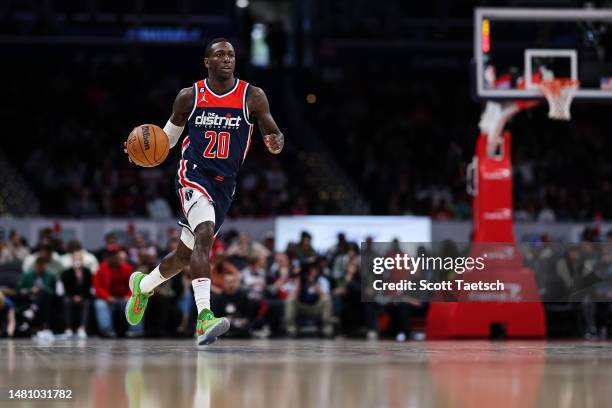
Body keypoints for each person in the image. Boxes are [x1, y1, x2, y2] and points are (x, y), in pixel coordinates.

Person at [123, 38, 284, 346]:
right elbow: (166, 141)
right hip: (193, 175)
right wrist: (137, 152)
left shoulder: (253, 96)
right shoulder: (189, 96)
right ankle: (204, 318)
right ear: (206, 61)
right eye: (219, 54)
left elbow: (272, 131)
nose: (227, 59)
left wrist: (276, 141)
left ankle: (143, 286)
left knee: (184, 257)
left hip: (225, 185)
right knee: (205, 233)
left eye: (231, 55)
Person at [93, 245, 137, 337]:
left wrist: (129, 296)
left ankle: (135, 330)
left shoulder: (127, 268)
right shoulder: (101, 269)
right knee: (100, 304)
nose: (112, 257)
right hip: (109, 298)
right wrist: (107, 297)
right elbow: (97, 287)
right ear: (107, 257)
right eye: (110, 255)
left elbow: (133, 285)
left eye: (114, 255)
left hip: (124, 297)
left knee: (136, 301)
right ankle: (107, 330)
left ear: (119, 256)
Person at [17, 257, 56, 340]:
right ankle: (33, 310)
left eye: (42, 266)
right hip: (30, 298)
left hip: (45, 299)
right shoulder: (28, 275)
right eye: (38, 266)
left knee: (42, 294)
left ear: (45, 266)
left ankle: (32, 311)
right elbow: (19, 288)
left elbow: (53, 291)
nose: (40, 268)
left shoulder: (50, 276)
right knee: (33, 296)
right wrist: (31, 289)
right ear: (35, 266)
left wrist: (42, 288)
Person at [60, 255, 92, 339]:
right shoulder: (67, 272)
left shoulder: (87, 272)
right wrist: (73, 296)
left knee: (86, 303)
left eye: (79, 259)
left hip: (83, 296)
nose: (77, 261)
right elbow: (66, 287)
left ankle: (82, 328)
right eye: (75, 259)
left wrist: (81, 296)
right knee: (66, 301)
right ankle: (68, 328)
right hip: (70, 296)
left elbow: (88, 287)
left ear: (82, 261)